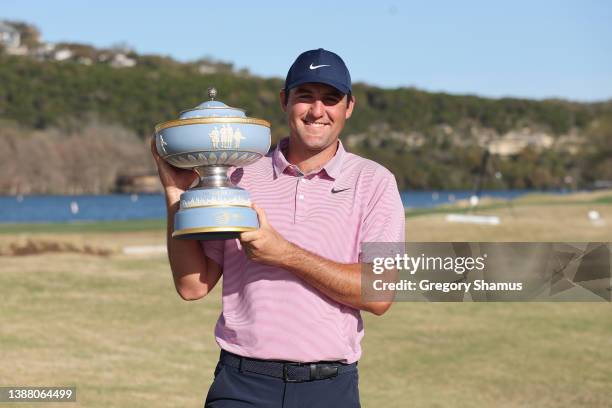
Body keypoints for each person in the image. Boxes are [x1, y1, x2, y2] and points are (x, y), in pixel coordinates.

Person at [151, 48, 405, 408]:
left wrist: (284, 254)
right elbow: (192, 286)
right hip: (241, 385)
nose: (317, 111)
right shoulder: (239, 173)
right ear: (285, 101)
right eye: (305, 96)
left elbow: (379, 295)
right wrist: (175, 192)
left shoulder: (375, 181)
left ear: (349, 107)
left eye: (331, 99)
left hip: (329, 388)